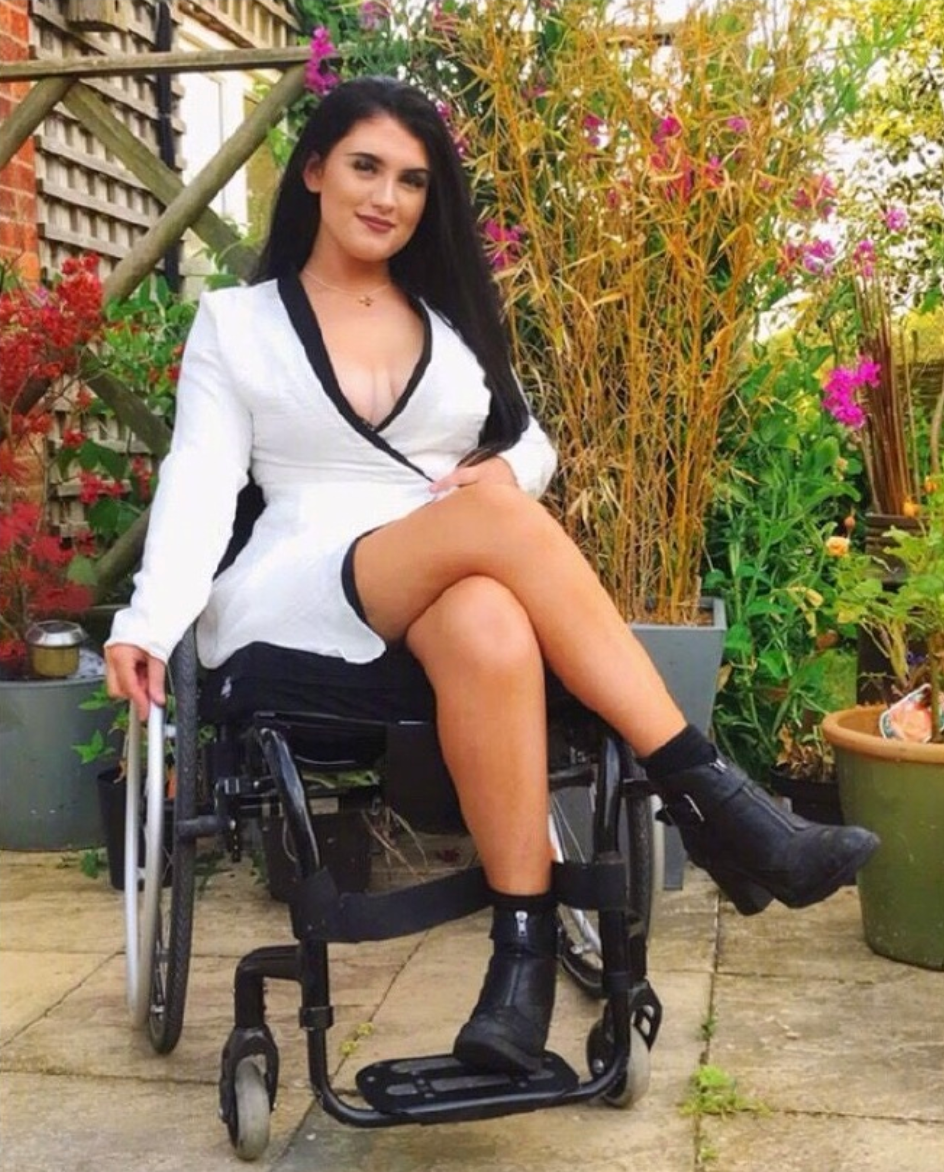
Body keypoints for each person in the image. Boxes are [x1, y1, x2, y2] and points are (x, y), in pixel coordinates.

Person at [105, 76, 878, 1077]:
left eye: (412, 180)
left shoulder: (449, 318)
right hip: (301, 583)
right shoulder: (237, 322)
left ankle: (518, 976)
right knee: (493, 526)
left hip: (449, 562)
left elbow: (528, 442)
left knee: (490, 621)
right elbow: (201, 480)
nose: (387, 196)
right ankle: (717, 799)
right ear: (315, 172)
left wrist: (505, 474)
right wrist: (148, 620)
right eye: (366, 167)